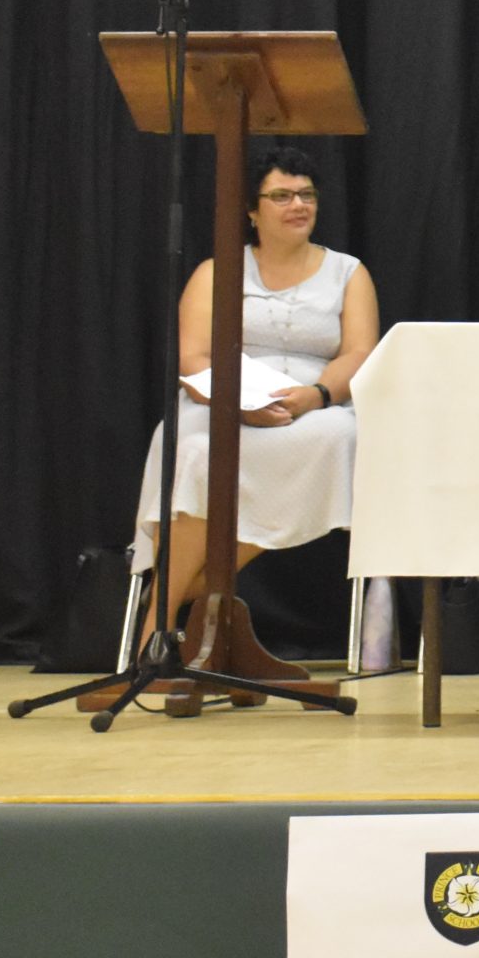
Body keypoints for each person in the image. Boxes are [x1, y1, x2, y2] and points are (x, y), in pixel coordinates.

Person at [130, 147, 379, 645]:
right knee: (194, 449)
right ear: (251, 211)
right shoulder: (215, 270)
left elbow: (360, 352)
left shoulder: (349, 272)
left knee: (341, 436)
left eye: (307, 195)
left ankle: (166, 609)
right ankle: (165, 619)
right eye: (282, 196)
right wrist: (239, 405)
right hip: (222, 399)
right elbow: (193, 357)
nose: (298, 205)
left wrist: (315, 395)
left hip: (313, 405)